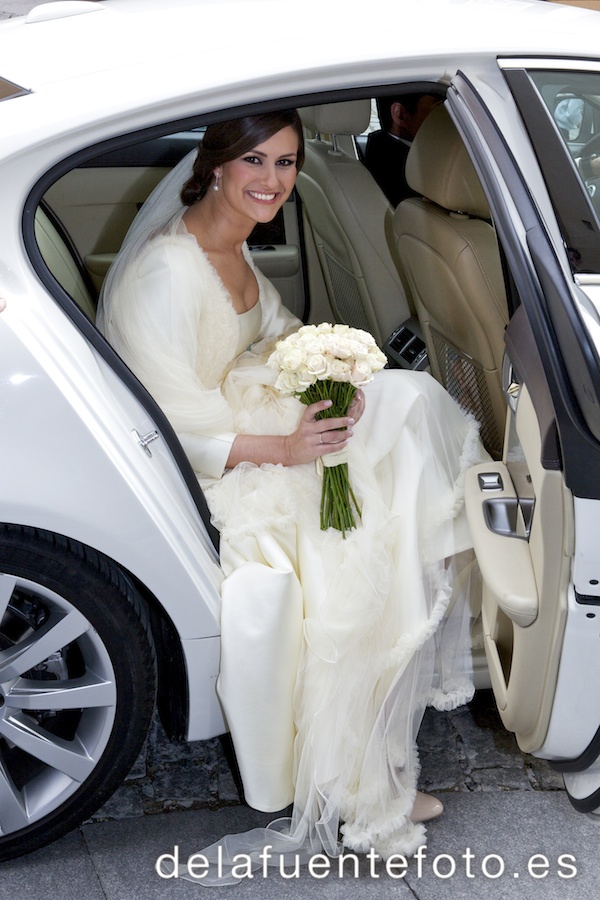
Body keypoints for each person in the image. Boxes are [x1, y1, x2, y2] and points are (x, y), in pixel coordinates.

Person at [98, 109, 488, 884]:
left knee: (400, 406)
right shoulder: (167, 276)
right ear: (213, 166)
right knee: (368, 519)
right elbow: (168, 422)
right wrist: (283, 447)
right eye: (254, 162)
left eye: (286, 162)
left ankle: (413, 628)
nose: (273, 181)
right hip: (216, 459)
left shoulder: (229, 240)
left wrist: (329, 369)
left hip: (252, 412)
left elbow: (273, 332)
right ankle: (357, 778)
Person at [364, 93, 440, 206]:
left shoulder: (380, 148)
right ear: (400, 115)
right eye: (437, 107)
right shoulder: (404, 175)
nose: (447, 115)